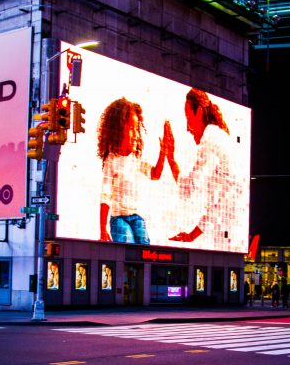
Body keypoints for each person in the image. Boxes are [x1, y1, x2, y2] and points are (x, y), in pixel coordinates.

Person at [161, 89, 238, 249]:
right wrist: (191, 236)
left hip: (226, 239)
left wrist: (170, 157)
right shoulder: (219, 136)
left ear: (200, 112)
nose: (188, 128)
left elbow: (188, 188)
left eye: (188, 118)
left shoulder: (211, 139)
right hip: (230, 237)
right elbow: (218, 206)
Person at [98, 98, 172, 244]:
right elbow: (105, 195)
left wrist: (163, 153)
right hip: (119, 218)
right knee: (127, 242)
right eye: (132, 129)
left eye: (137, 129)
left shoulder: (135, 160)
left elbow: (155, 174)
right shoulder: (111, 161)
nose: (136, 136)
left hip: (136, 217)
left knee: (144, 244)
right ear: (118, 130)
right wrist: (102, 229)